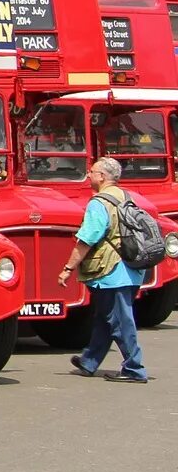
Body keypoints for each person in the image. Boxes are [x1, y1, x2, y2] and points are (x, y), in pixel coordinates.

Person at [60, 156, 150, 382]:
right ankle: (90, 361)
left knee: (120, 320)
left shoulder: (99, 203)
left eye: (92, 171)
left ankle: (134, 368)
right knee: (104, 317)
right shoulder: (125, 196)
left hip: (111, 271)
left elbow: (87, 238)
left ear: (102, 177)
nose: (89, 175)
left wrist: (68, 268)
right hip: (132, 267)